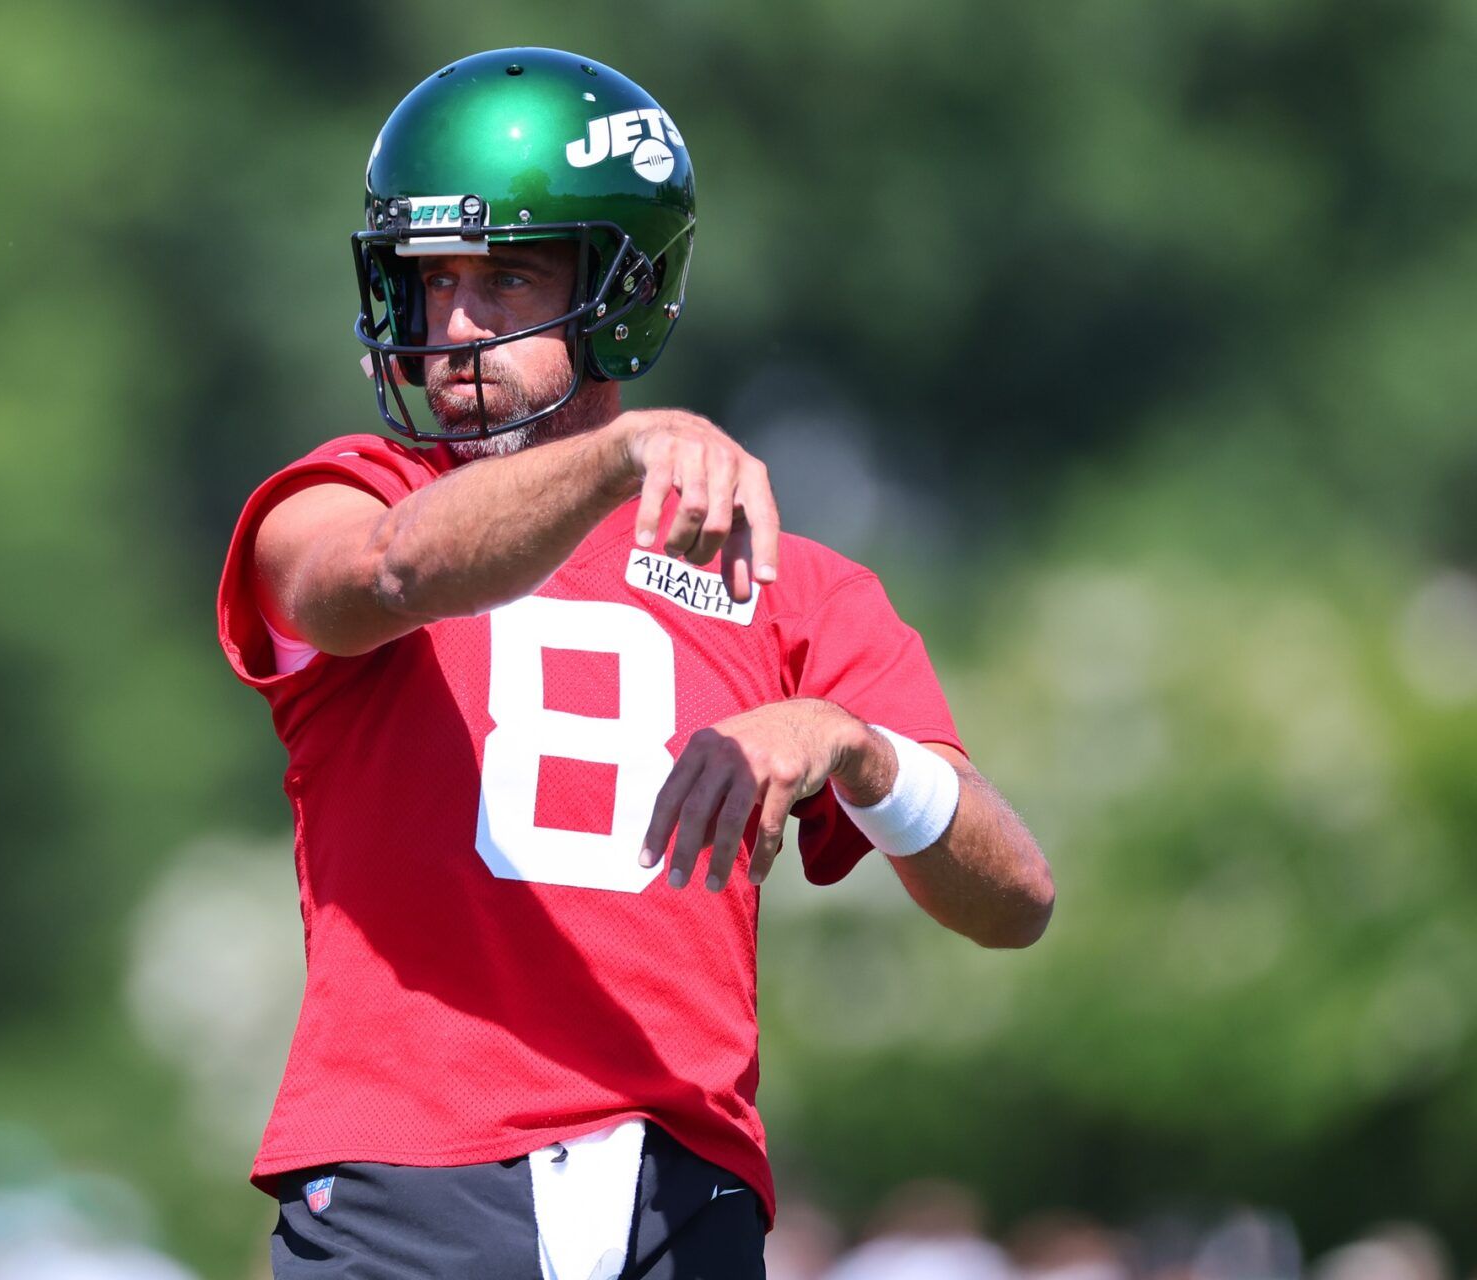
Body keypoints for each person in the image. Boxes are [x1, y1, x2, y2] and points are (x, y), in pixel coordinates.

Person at [216, 46, 1054, 1280]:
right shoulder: (345, 500)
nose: (453, 327)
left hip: (686, 1185)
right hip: (414, 1179)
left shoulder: (792, 580)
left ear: (623, 288)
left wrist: (851, 745)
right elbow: (385, 575)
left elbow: (1013, 897)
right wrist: (627, 455)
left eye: (502, 278)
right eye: (428, 279)